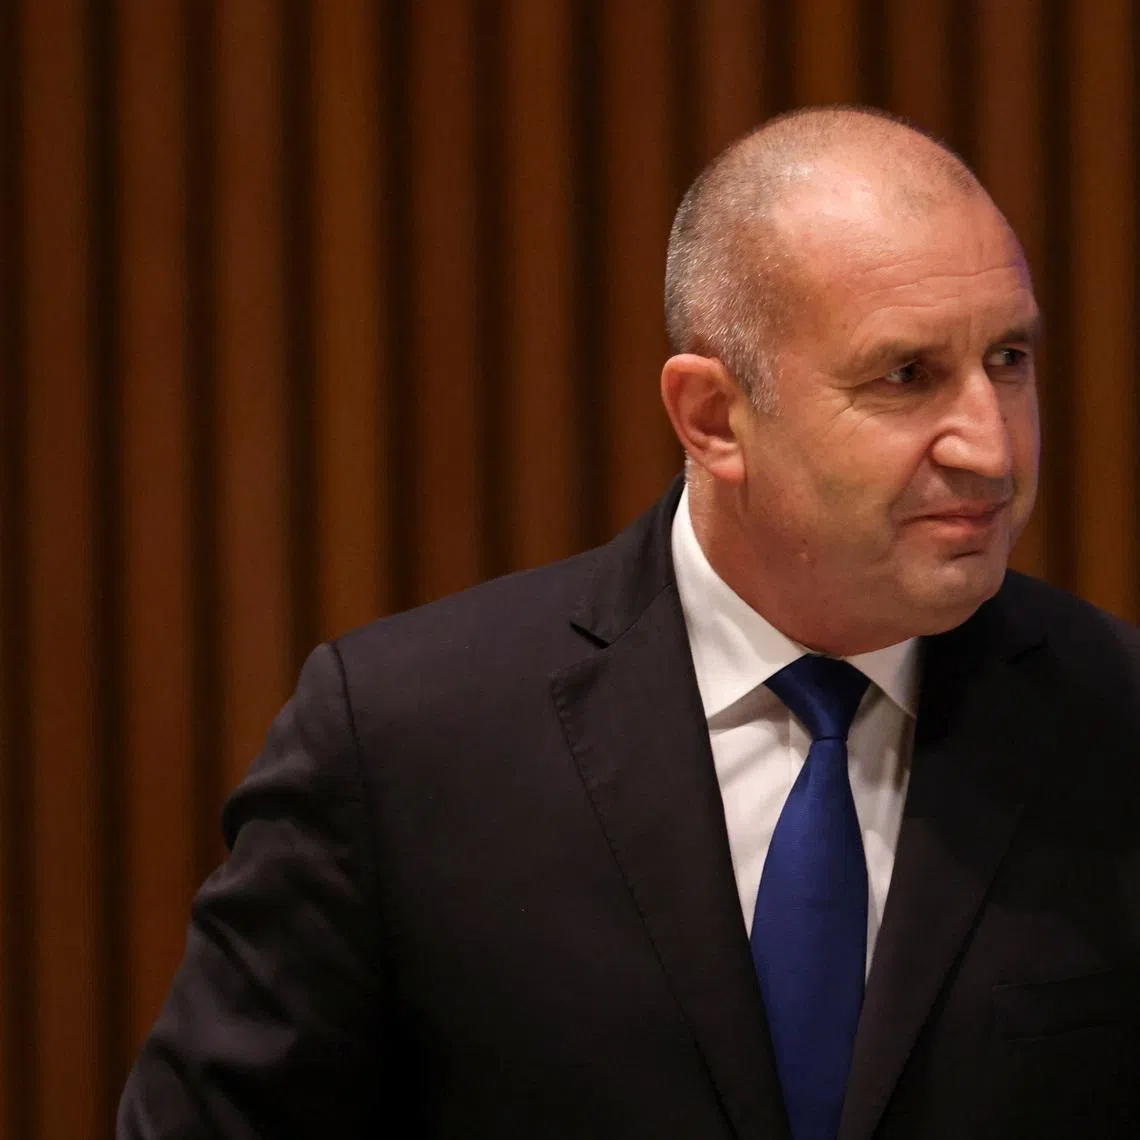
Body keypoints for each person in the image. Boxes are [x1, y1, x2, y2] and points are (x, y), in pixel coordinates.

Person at [118, 106, 1140, 1139]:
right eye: (907, 376)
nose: (992, 448)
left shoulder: (1118, 717)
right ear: (712, 417)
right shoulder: (403, 744)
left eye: (1008, 359)